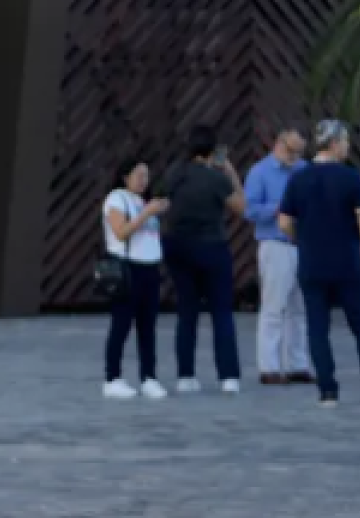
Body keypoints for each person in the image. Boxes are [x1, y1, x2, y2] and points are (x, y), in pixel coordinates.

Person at [279, 120, 360, 406]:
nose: (348, 146)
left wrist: (301, 239)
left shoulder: (298, 179)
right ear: (334, 143)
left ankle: (328, 391)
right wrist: (359, 239)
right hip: (346, 261)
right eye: (345, 141)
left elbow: (284, 222)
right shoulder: (350, 178)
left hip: (312, 262)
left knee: (317, 327)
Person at [159, 126, 245, 394]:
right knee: (221, 311)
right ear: (212, 150)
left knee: (187, 311)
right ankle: (228, 376)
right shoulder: (215, 179)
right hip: (211, 246)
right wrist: (230, 172)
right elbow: (241, 208)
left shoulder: (174, 173)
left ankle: (185, 375)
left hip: (177, 245)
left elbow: (161, 201)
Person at [244, 127, 312, 386]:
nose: (295, 157)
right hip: (275, 243)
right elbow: (250, 210)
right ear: (279, 144)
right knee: (274, 306)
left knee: (300, 307)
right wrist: (278, 209)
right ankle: (269, 367)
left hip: (302, 243)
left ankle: (297, 364)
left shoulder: (304, 169)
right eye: (291, 151)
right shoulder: (260, 172)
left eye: (299, 152)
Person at [102, 158, 171, 399]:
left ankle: (149, 377)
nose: (144, 180)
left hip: (150, 267)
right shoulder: (117, 199)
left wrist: (155, 210)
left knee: (148, 326)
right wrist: (146, 213)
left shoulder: (143, 201)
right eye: (139, 175)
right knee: (121, 324)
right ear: (125, 177)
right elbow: (121, 232)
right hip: (128, 267)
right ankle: (112, 377)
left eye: (146, 176)